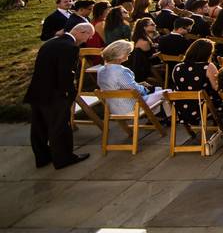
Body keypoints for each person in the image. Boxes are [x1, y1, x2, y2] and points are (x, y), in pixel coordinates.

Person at [24, 22, 95, 169]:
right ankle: (63, 158)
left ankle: (42, 157)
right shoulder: (70, 48)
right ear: (81, 32)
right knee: (59, 126)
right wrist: (70, 92)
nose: (87, 40)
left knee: (39, 127)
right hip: (56, 94)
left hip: (37, 90)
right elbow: (66, 74)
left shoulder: (50, 43)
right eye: (89, 36)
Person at [97, 40, 167, 116]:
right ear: (121, 55)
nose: (129, 55)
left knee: (156, 90)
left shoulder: (101, 70)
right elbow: (135, 89)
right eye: (128, 53)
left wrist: (141, 85)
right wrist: (147, 88)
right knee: (166, 92)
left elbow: (119, 86)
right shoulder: (121, 71)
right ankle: (166, 119)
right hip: (129, 107)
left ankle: (156, 118)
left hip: (112, 108)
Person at [171, 38, 223, 122]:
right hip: (203, 107)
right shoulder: (208, 66)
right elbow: (216, 87)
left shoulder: (177, 67)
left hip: (182, 109)